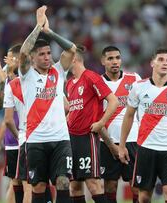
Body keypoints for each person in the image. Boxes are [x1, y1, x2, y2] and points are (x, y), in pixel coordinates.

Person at [119, 48, 167, 203]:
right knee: (145, 196)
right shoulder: (138, 87)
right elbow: (129, 116)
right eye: (160, 59)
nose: (164, 63)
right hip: (146, 148)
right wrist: (122, 145)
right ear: (152, 63)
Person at [18, 6, 76, 203]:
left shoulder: (58, 71)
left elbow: (71, 49)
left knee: (63, 182)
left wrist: (49, 31)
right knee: (39, 186)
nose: (47, 57)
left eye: (49, 53)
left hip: (61, 138)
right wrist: (37, 27)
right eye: (41, 54)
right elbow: (23, 53)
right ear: (34, 57)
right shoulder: (26, 75)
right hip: (35, 139)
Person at [65, 44, 118, 203]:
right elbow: (73, 109)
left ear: (73, 59)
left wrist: (101, 123)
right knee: (74, 186)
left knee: (93, 184)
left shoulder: (91, 77)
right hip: (71, 139)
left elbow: (113, 101)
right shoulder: (69, 83)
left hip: (86, 137)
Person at [99, 45, 141, 203]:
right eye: (110, 58)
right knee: (110, 186)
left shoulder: (134, 78)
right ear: (103, 61)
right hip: (108, 141)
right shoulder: (98, 82)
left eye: (117, 57)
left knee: (136, 185)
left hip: (132, 139)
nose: (114, 61)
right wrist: (110, 144)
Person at [0, 44, 34, 203]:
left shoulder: (29, 76)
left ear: (18, 59)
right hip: (13, 139)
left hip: (30, 135)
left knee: (30, 182)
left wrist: (9, 78)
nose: (6, 61)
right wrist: (2, 82)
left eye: (9, 58)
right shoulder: (8, 76)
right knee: (16, 181)